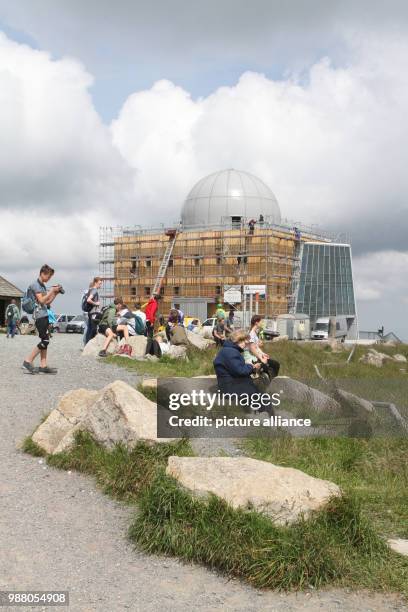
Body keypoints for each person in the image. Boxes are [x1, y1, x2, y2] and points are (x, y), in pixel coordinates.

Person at [213, 329, 270, 413]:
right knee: (261, 398)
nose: (246, 344)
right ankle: (263, 416)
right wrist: (253, 367)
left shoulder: (228, 350)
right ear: (238, 340)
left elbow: (236, 368)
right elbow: (240, 371)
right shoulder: (231, 352)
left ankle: (260, 413)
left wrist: (252, 367)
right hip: (231, 388)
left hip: (229, 385)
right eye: (245, 342)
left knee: (259, 394)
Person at [22, 264, 63, 374]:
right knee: (45, 340)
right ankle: (27, 361)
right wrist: (51, 291)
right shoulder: (35, 285)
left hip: (44, 314)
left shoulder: (42, 286)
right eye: (49, 276)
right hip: (39, 316)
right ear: (42, 273)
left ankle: (43, 366)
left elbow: (46, 302)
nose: (49, 279)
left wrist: (55, 293)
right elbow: (41, 301)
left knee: (44, 340)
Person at [244, 315, 280, 380]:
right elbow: (252, 348)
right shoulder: (251, 334)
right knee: (274, 365)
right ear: (256, 323)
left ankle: (271, 381)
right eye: (261, 321)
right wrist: (261, 357)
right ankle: (271, 382)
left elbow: (256, 347)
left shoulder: (254, 333)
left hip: (255, 357)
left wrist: (263, 354)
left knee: (274, 364)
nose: (262, 323)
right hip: (251, 358)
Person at [84, 277, 102, 345]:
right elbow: (89, 300)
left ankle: (87, 345)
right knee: (93, 329)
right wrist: (96, 303)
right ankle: (89, 345)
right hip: (93, 313)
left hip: (90, 312)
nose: (100, 285)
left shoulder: (90, 290)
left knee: (90, 329)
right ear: (95, 283)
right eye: (99, 283)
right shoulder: (94, 290)